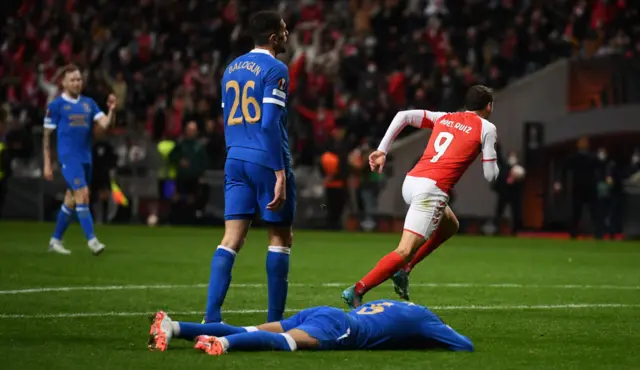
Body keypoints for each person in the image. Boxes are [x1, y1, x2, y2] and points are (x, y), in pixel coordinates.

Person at [342, 85, 499, 307]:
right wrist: (491, 154)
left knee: (450, 225)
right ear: (489, 106)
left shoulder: (445, 117)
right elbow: (491, 176)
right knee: (404, 250)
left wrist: (382, 150)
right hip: (431, 191)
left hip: (412, 181)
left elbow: (403, 116)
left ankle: (405, 269)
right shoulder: (487, 128)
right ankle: (357, 290)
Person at [203, 11, 295, 324]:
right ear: (273, 37)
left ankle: (211, 318)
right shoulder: (276, 69)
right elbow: (269, 123)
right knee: (280, 238)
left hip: (235, 158)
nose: (287, 34)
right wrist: (279, 170)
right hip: (265, 159)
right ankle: (274, 322)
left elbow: (227, 117)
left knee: (231, 239)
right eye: (283, 30)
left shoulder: (230, 69)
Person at [148, 299, 473, 354]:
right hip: (342, 328)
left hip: (326, 312)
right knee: (287, 343)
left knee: (250, 329)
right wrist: (430, 338)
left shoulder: (402, 306)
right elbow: (464, 345)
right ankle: (221, 344)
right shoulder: (427, 320)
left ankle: (173, 328)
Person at [43, 64, 116, 255]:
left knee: (71, 200)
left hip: (85, 157)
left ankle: (55, 240)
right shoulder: (56, 106)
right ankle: (92, 240)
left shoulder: (88, 103)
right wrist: (47, 163)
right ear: (64, 82)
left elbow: (105, 125)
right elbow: (47, 136)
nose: (77, 82)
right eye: (73, 79)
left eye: (79, 79)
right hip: (68, 157)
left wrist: (111, 110)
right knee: (83, 193)